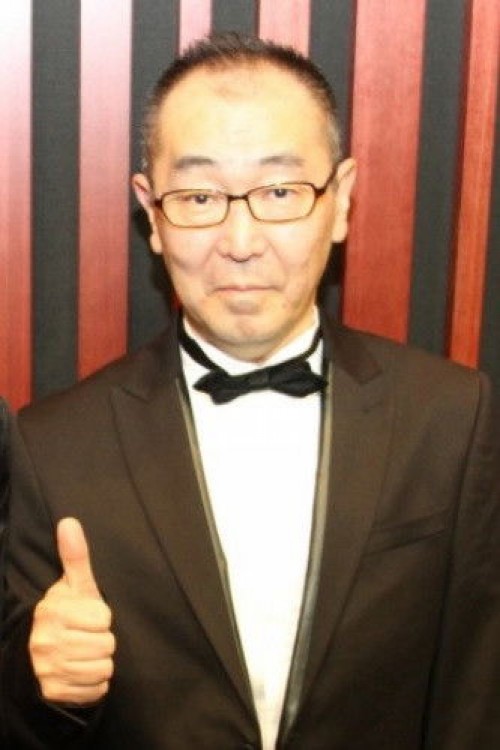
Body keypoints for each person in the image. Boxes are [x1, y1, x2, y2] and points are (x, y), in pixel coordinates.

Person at [1, 32, 499, 750]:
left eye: (280, 192)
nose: (240, 241)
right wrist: (41, 682)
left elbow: (475, 696)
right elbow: (22, 725)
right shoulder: (53, 446)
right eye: (199, 196)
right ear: (152, 212)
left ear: (341, 201)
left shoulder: (451, 417)